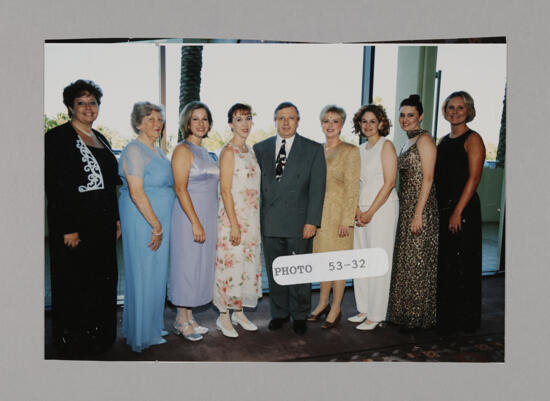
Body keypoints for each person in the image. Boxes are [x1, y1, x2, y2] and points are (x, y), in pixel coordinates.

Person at [45, 79, 121, 355]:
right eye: (81, 103)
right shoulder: (56, 138)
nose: (88, 108)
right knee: (74, 282)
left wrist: (115, 219)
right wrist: (68, 228)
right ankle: (71, 340)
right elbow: (56, 187)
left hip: (102, 224)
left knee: (101, 280)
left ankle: (98, 335)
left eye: (93, 102)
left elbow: (110, 185)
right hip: (75, 225)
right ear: (69, 107)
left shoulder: (101, 137)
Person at [253, 102, 326, 335]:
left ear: (298, 121)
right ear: (274, 121)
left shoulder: (313, 149)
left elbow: (317, 189)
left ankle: (300, 314)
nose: (286, 122)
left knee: (299, 271)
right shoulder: (260, 148)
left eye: (291, 118)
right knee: (276, 272)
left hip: (299, 222)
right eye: (281, 118)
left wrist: (312, 221)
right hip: (270, 221)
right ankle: (280, 313)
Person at [118, 102, 175, 352]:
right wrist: (156, 226)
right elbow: (136, 192)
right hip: (144, 220)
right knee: (143, 273)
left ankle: (150, 326)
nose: (157, 123)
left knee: (155, 274)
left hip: (157, 219)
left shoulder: (158, 151)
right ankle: (141, 333)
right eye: (150, 119)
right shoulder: (134, 150)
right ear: (138, 123)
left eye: (159, 119)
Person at [435, 91, 485, 335]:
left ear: (469, 111)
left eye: (460, 108)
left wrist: (457, 211)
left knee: (463, 265)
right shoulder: (443, 140)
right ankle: (448, 316)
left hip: (463, 211)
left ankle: (466, 320)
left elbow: (474, 178)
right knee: (447, 265)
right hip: (445, 209)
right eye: (450, 107)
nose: (454, 112)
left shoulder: (473, 138)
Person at [388, 94, 439, 332]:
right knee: (407, 262)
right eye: (402, 115)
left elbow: (428, 179)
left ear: (420, 116)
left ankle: (418, 318)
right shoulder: (406, 142)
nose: (405, 119)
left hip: (421, 208)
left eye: (410, 115)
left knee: (418, 263)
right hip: (407, 207)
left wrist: (418, 213)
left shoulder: (425, 140)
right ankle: (404, 315)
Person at [169, 101, 219, 341]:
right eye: (196, 119)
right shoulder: (182, 150)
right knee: (186, 266)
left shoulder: (206, 153)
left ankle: (190, 318)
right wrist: (195, 222)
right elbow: (180, 189)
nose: (201, 124)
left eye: (205, 119)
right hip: (189, 217)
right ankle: (181, 320)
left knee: (199, 266)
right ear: (187, 122)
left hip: (207, 216)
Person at [308, 105, 359, 329]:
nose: (330, 125)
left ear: (342, 124)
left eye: (335, 121)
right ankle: (322, 304)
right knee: (323, 263)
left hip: (339, 216)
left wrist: (347, 220)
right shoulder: (315, 150)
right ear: (321, 124)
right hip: (320, 216)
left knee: (339, 264)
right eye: (326, 121)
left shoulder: (350, 150)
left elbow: (352, 188)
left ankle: (336, 307)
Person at [348, 104, 399, 330]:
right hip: (362, 210)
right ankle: (364, 308)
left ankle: (377, 314)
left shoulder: (386, 146)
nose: (367, 125)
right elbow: (357, 184)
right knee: (362, 260)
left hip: (382, 209)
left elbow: (389, 183)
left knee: (378, 260)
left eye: (372, 121)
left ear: (381, 123)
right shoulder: (359, 149)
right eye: (363, 121)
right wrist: (358, 210)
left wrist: (370, 212)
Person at [213, 103, 262, 338]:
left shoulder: (250, 151)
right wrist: (234, 224)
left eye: (248, 118)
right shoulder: (228, 152)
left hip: (251, 219)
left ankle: (239, 312)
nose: (245, 124)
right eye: (239, 119)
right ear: (231, 124)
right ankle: (223, 316)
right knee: (229, 267)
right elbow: (225, 190)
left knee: (245, 267)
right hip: (232, 220)